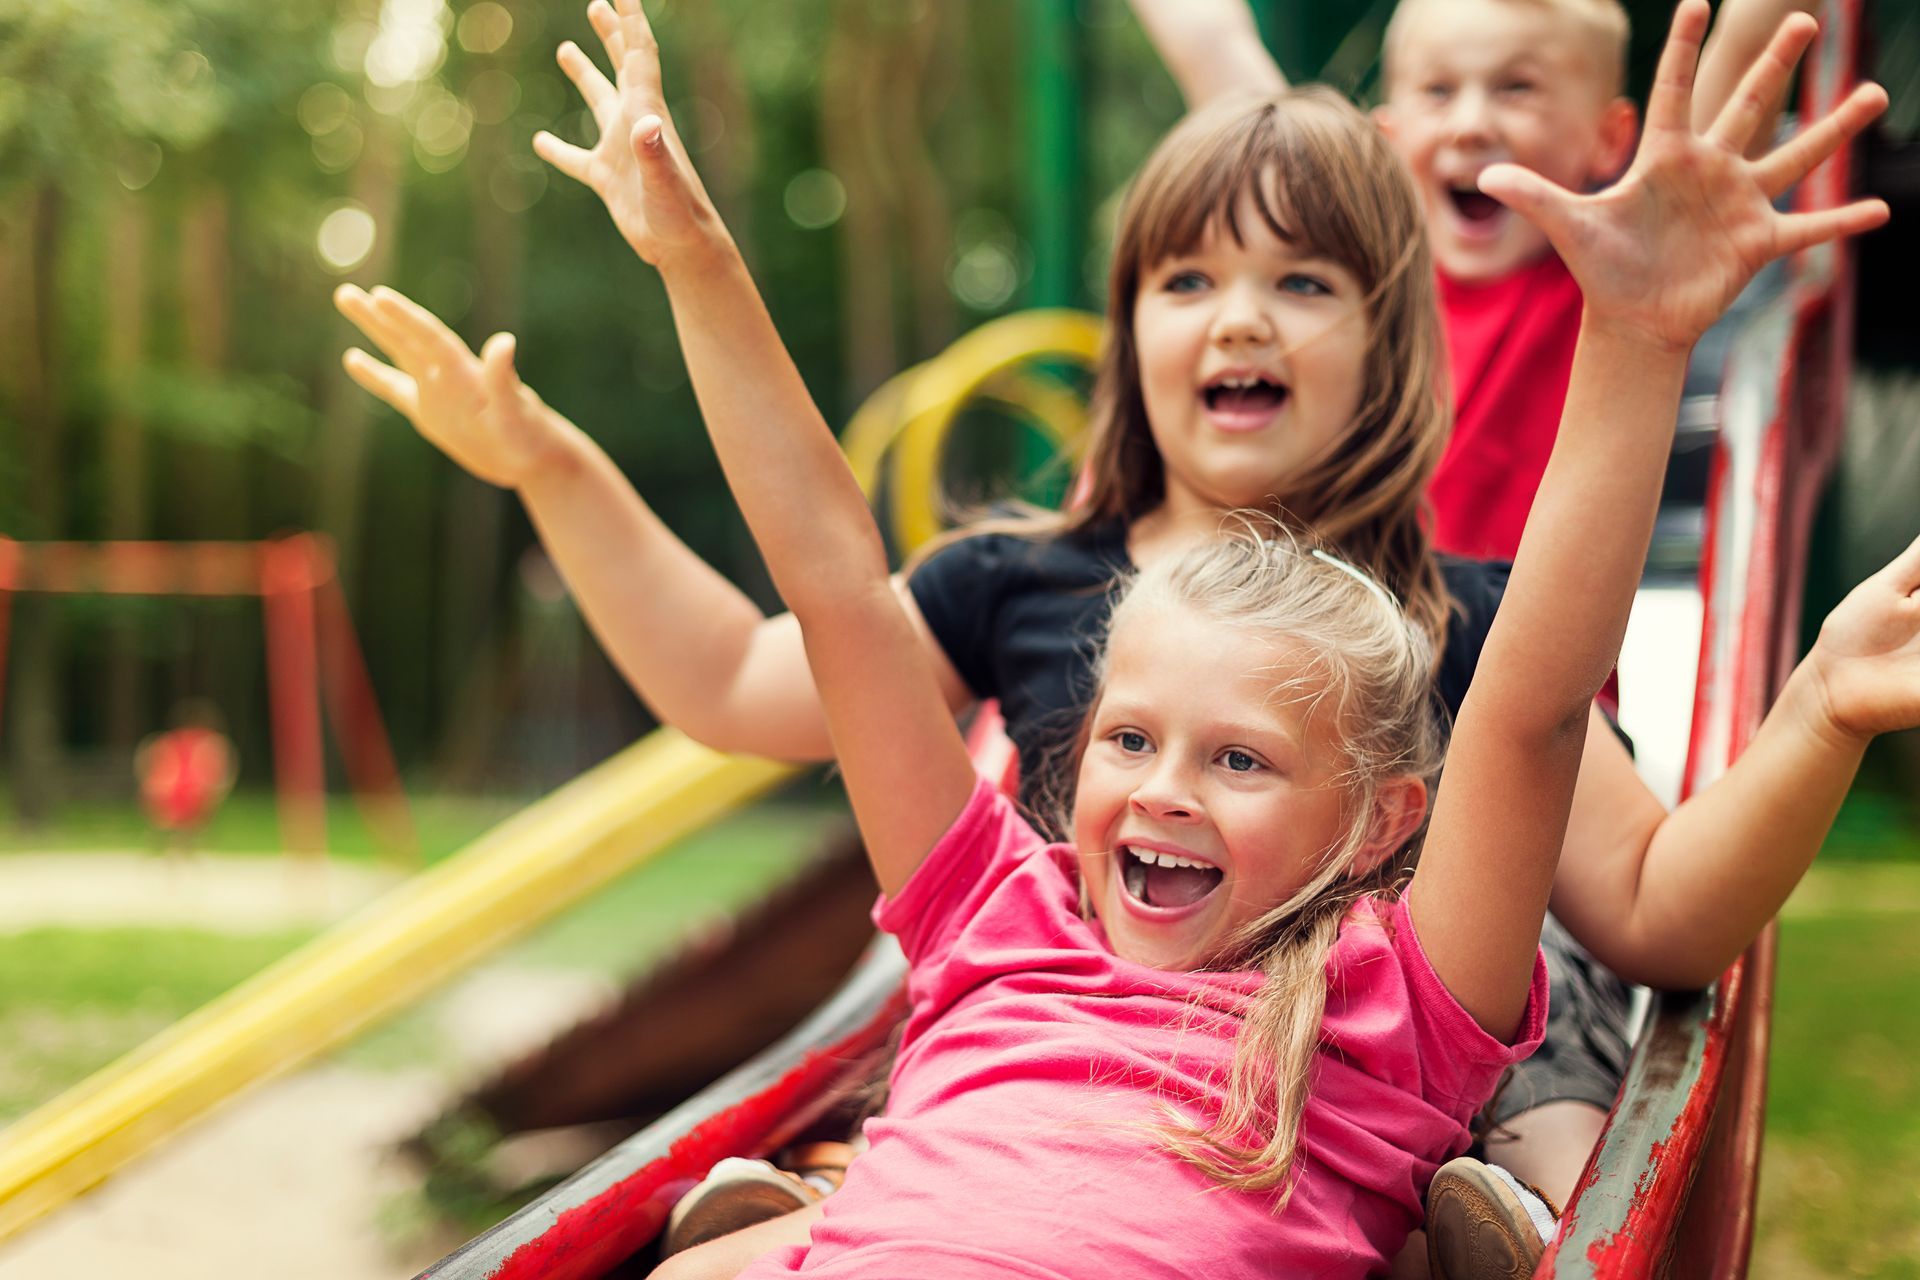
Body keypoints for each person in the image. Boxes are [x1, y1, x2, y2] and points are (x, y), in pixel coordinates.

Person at [332, 2, 1895, 1272]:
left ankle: (1462, 1228)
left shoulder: (1392, 957)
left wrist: (1642, 359)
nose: (1238, 318)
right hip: (998, 1092)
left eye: (1301, 282)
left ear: (1382, 810)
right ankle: (840, 1194)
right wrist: (678, 292)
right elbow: (820, 597)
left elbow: (1542, 727)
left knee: (1536, 1119)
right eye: (1126, 736)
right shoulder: (1005, 893)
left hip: (1336, 1111)